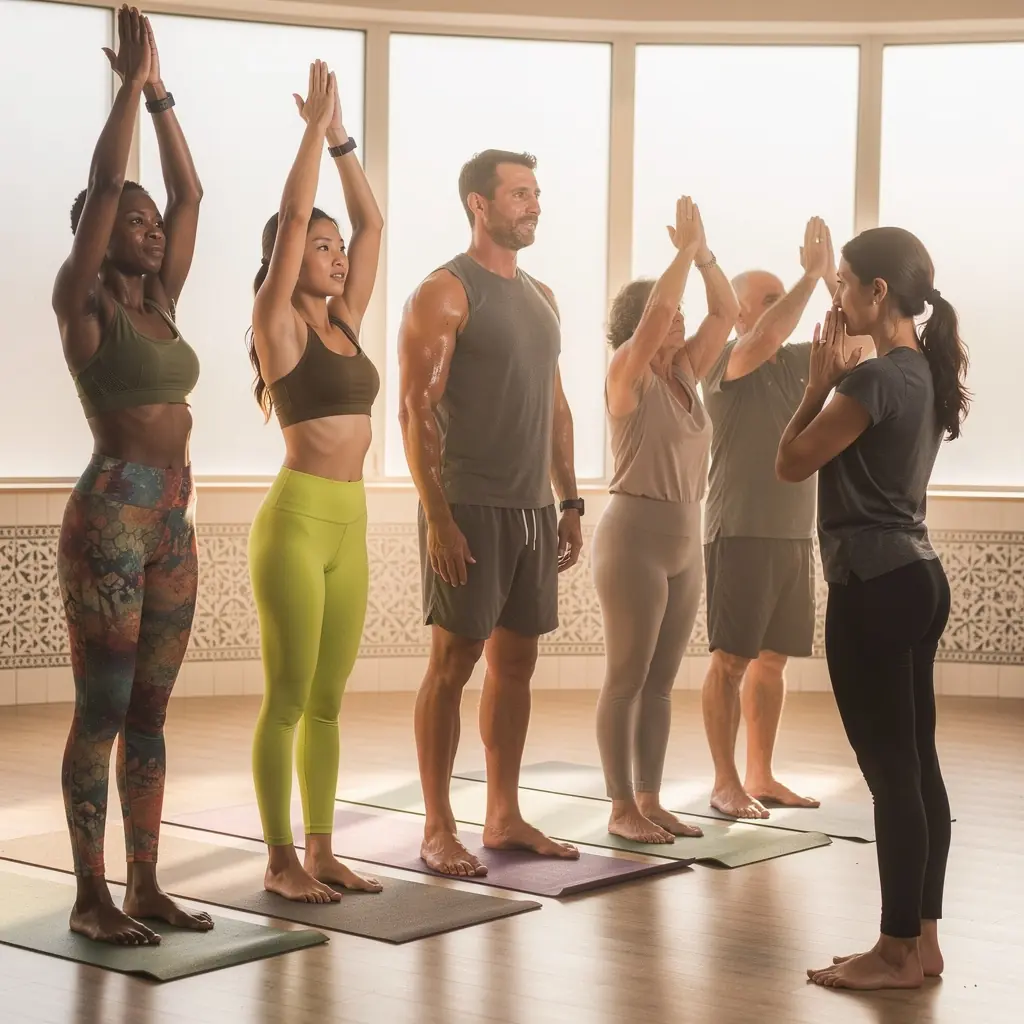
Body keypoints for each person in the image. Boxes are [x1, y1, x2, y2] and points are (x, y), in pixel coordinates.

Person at [52, 6, 209, 945]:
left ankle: (146, 886)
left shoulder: (164, 301)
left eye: (153, 225)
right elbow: (110, 180)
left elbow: (191, 195)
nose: (152, 231)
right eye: (134, 222)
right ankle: (89, 896)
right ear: (102, 234)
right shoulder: (83, 307)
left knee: (150, 713)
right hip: (110, 519)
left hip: (174, 523)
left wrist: (160, 97)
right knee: (102, 712)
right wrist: (121, 92)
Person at [776, 226, 968, 991]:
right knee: (916, 762)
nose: (835, 294)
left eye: (843, 281)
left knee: (891, 770)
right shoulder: (921, 371)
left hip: (874, 586)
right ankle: (921, 941)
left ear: (876, 293)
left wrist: (817, 382)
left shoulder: (874, 380)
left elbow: (790, 463)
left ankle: (892, 953)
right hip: (919, 578)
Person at [397, 149, 584, 877]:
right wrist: (438, 516)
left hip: (534, 507)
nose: (532, 205)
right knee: (453, 662)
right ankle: (438, 825)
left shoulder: (543, 295)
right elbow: (416, 411)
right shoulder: (445, 292)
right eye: (517, 194)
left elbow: (557, 407)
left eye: (536, 193)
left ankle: (502, 815)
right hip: (467, 502)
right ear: (479, 204)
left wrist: (567, 498)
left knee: (517, 664)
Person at [247, 60, 384, 903]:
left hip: (352, 525)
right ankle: (277, 858)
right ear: (288, 259)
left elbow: (372, 222)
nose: (335, 256)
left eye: (336, 251)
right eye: (319, 248)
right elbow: (297, 214)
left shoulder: (347, 322)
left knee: (330, 700)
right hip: (296, 523)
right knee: (289, 695)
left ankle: (324, 848)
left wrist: (341, 138)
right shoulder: (276, 323)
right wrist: (306, 132)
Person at [593, 196, 738, 843]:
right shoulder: (627, 374)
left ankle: (649, 799)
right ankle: (620, 807)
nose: (680, 321)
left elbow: (726, 311)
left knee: (660, 683)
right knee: (626, 678)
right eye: (668, 314)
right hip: (633, 538)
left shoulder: (686, 373)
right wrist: (680, 253)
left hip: (685, 537)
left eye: (681, 313)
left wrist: (703, 255)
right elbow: (654, 318)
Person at [698, 217, 839, 818]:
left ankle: (761, 774)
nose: (784, 311)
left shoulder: (801, 362)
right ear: (738, 315)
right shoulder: (726, 359)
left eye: (785, 299)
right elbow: (761, 341)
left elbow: (860, 333)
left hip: (791, 533)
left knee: (773, 662)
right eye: (770, 301)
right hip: (739, 530)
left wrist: (831, 275)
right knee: (730, 660)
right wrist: (810, 276)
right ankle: (724, 781)